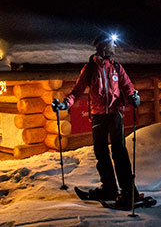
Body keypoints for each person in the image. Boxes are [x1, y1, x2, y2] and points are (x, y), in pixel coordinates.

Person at [52, 34, 142, 207]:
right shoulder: (90, 69)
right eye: (112, 44)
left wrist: (133, 98)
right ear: (103, 47)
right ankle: (109, 188)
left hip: (115, 114)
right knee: (101, 152)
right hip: (98, 115)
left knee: (119, 152)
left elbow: (128, 87)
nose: (115, 47)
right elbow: (77, 91)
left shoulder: (117, 67)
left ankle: (129, 192)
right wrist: (64, 105)